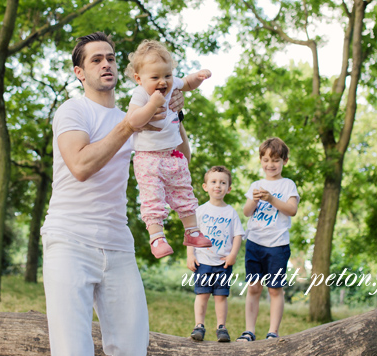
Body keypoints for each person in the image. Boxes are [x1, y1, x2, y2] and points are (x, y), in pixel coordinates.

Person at [40, 32, 186, 356]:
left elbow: (180, 161)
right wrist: (129, 127)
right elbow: (80, 165)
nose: (106, 64)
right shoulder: (73, 111)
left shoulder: (135, 115)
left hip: (118, 244)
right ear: (79, 72)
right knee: (72, 350)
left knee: (132, 348)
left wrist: (177, 115)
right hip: (69, 240)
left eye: (110, 58)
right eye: (96, 59)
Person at [124, 40, 213, 258]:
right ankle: (157, 238)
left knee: (184, 192)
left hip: (172, 154)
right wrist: (152, 105)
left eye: (167, 75)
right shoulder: (140, 95)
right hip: (148, 159)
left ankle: (192, 231)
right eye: (155, 78)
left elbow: (188, 83)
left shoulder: (172, 86)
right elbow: (133, 120)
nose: (163, 82)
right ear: (139, 79)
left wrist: (199, 77)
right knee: (152, 198)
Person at [236, 137, 299, 342]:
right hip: (255, 242)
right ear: (260, 161)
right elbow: (246, 212)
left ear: (284, 161)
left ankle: (273, 332)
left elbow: (292, 210)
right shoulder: (256, 184)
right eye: (266, 160)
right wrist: (254, 200)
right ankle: (249, 330)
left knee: (274, 288)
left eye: (275, 160)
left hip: (277, 245)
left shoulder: (288, 184)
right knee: (253, 287)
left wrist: (271, 198)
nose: (270, 165)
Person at [187, 166, 245, 343]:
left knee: (221, 296)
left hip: (222, 263)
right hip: (203, 262)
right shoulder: (200, 211)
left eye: (222, 183)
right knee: (202, 295)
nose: (217, 186)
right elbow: (191, 233)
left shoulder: (231, 212)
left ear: (229, 188)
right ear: (205, 186)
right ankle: (199, 325)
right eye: (213, 182)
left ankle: (221, 327)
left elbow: (237, 235)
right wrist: (190, 255)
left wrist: (233, 255)